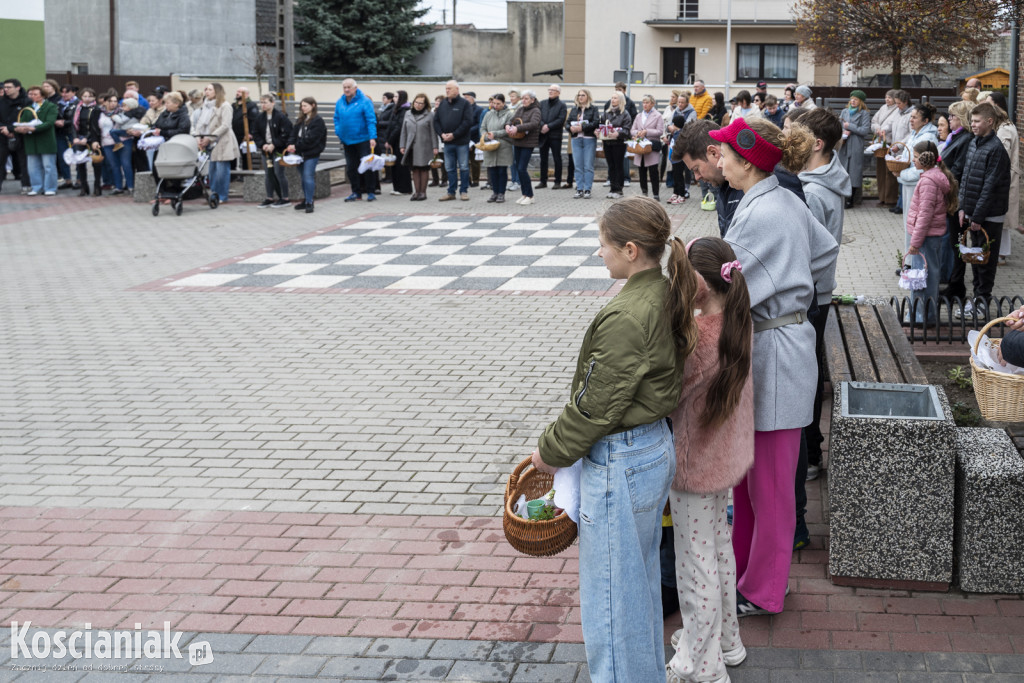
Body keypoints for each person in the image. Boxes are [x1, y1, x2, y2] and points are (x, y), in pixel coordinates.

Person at [531, 196, 699, 683]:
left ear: (630, 249)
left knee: (610, 603)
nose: (598, 253)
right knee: (636, 589)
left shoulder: (628, 314)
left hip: (624, 459)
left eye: (602, 245)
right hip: (647, 451)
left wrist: (548, 453)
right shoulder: (662, 290)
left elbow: (593, 407)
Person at [709, 117, 838, 618]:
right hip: (775, 346)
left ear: (747, 161)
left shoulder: (766, 211)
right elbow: (825, 253)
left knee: (772, 490)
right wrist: (803, 300)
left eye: (724, 151)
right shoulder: (777, 199)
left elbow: (724, 288)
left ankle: (764, 588)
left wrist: (787, 303)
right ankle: (748, 576)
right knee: (750, 482)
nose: (718, 157)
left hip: (775, 354)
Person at [666, 235, 753, 683]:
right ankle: (727, 642)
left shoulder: (699, 339)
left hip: (694, 466)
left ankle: (700, 665)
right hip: (724, 460)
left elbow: (667, 395)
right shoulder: (738, 321)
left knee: (694, 564)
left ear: (698, 284)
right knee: (718, 551)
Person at [790, 107, 850, 527]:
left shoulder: (811, 192)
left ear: (816, 145)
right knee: (810, 372)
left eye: (794, 134)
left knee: (804, 377)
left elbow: (806, 252)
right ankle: (811, 451)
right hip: (820, 293)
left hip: (809, 294)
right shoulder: (830, 180)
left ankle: (809, 455)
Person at [674, 119, 807, 237]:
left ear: (746, 162)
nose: (696, 178)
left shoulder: (777, 187)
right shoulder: (727, 183)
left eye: (724, 156)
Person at [954, 102, 1011, 319]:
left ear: (989, 122)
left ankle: (982, 303)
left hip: (989, 216)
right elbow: (966, 178)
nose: (973, 125)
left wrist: (977, 216)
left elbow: (990, 185)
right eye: (972, 120)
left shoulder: (996, 149)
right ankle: (976, 300)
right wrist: (962, 208)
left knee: (985, 262)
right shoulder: (974, 143)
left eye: (977, 121)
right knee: (974, 259)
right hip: (972, 213)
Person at [905, 142, 958, 324]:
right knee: (930, 275)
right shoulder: (934, 176)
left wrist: (915, 242)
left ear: (923, 158)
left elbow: (925, 215)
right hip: (931, 236)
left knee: (921, 277)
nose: (913, 159)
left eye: (915, 156)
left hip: (926, 238)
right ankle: (927, 314)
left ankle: (921, 317)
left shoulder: (928, 181)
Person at [938, 100, 976, 292]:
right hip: (951, 196)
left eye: (952, 116)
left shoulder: (966, 139)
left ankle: (957, 284)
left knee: (958, 241)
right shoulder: (955, 137)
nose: (949, 119)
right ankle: (956, 281)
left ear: (961, 118)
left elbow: (958, 170)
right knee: (955, 240)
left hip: (957, 198)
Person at [894, 103, 940, 234]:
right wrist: (900, 160)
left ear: (925, 121)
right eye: (911, 117)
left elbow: (923, 168)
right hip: (908, 183)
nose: (911, 120)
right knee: (909, 223)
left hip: (917, 185)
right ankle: (909, 253)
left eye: (915, 117)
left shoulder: (928, 138)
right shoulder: (915, 134)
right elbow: (909, 157)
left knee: (915, 223)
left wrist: (901, 174)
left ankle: (914, 253)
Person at [987, 93, 1020, 264]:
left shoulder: (1005, 128)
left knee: (1003, 218)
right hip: (1003, 177)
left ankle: (1001, 254)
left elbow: (1001, 154)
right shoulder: (1003, 127)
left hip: (1005, 177)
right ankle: (1000, 252)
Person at [334, 78, 378, 202]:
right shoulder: (340, 102)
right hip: (347, 140)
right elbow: (336, 118)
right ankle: (356, 192)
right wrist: (339, 131)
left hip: (363, 139)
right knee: (351, 167)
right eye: (344, 87)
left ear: (355, 88)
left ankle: (370, 191)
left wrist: (372, 137)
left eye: (349, 87)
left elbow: (371, 120)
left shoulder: (365, 101)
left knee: (367, 166)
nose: (346, 90)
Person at [194, 83, 238, 204]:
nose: (207, 92)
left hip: (222, 141)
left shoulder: (225, 106)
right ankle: (213, 194)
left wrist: (209, 138)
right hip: (209, 141)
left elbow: (225, 125)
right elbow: (199, 124)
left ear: (217, 91)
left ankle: (222, 196)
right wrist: (199, 138)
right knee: (212, 170)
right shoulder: (206, 106)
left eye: (210, 89)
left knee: (221, 170)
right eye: (206, 89)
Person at [14, 85, 59, 197]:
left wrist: (34, 128)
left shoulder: (51, 106)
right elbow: (22, 120)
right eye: (30, 94)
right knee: (32, 167)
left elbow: (49, 122)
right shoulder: (28, 107)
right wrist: (21, 128)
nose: (32, 96)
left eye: (35, 94)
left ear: (43, 95)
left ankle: (50, 187)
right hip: (31, 141)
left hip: (46, 140)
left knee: (48, 166)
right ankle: (36, 187)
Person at [434, 80, 474, 201]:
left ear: (457, 90)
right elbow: (436, 121)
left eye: (449, 88)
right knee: (450, 168)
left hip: (461, 142)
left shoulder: (464, 104)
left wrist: (454, 135)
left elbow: (468, 122)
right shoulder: (443, 104)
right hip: (447, 142)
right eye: (446, 89)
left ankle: (464, 191)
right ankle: (451, 192)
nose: (447, 91)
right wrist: (441, 134)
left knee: (463, 167)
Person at [286, 97, 327, 214]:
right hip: (299, 154)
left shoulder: (317, 121)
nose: (302, 108)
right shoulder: (301, 120)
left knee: (308, 176)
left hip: (311, 153)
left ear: (313, 105)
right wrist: (290, 144)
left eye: (305, 106)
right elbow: (293, 134)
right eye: (302, 106)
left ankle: (310, 202)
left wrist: (296, 146)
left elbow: (311, 139)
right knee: (303, 177)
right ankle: (306, 199)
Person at [253, 93, 293, 208]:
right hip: (265, 150)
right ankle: (269, 197)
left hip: (278, 150)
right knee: (268, 173)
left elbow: (286, 133)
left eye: (265, 102)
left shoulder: (280, 116)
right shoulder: (260, 118)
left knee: (279, 173)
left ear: (272, 103)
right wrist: (262, 145)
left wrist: (274, 144)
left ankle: (285, 197)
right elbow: (255, 133)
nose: (263, 105)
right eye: (261, 102)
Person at [399, 93, 438, 202]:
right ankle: (416, 192)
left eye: (421, 103)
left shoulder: (430, 115)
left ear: (425, 104)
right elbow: (404, 131)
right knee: (415, 169)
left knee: (424, 168)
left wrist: (435, 147)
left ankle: (423, 192)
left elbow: (433, 132)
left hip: (425, 146)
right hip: (411, 146)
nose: (418, 105)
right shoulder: (407, 114)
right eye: (416, 102)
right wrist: (402, 145)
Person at [506, 89, 542, 205]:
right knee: (518, 168)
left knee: (522, 168)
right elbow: (512, 120)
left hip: (528, 143)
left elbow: (534, 124)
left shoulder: (536, 110)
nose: (523, 101)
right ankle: (524, 194)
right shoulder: (520, 109)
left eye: (526, 98)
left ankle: (530, 196)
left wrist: (518, 128)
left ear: (532, 100)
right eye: (522, 98)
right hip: (517, 141)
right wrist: (507, 126)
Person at [838, 90, 870, 208]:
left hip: (856, 145)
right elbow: (839, 126)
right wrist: (843, 132)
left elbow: (865, 130)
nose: (853, 101)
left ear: (860, 101)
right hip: (844, 144)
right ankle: (842, 197)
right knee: (842, 170)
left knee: (854, 173)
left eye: (856, 99)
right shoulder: (844, 111)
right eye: (852, 98)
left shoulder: (864, 113)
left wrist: (850, 126)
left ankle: (850, 200)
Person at [479, 93, 514, 203]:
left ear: (504, 103)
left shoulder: (509, 114)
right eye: (494, 103)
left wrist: (495, 133)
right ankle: (494, 192)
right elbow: (483, 127)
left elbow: (508, 131)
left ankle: (501, 193)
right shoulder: (488, 114)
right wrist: (485, 136)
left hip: (503, 146)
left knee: (501, 170)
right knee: (492, 170)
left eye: (498, 103)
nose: (495, 105)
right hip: (490, 145)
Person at [631, 94, 665, 202]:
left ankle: (656, 194)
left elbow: (660, 131)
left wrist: (647, 132)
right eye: (643, 102)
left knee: (653, 171)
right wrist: (638, 132)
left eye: (647, 103)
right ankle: (644, 193)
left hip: (651, 146)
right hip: (640, 146)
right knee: (641, 171)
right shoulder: (638, 116)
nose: (644, 105)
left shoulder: (658, 115)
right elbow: (632, 130)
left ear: (652, 104)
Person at [1, 78, 32, 194]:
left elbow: (27, 118)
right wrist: (4, 129)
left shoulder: (26, 101)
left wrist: (12, 129)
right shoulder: (1, 102)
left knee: (23, 161)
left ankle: (26, 185)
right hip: (3, 135)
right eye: (5, 87)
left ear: (17, 88)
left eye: (9, 87)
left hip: (21, 135)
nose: (6, 90)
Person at [567, 88, 598, 200]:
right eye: (579, 95)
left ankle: (588, 189)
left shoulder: (593, 109)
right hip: (576, 140)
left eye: (583, 95)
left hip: (589, 139)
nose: (580, 97)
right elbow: (567, 123)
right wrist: (570, 128)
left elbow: (595, 123)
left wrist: (582, 127)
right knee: (578, 166)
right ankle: (579, 189)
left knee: (588, 166)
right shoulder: (574, 110)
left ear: (588, 97)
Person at [871, 90, 901, 207]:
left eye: (890, 98)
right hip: (880, 142)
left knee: (890, 171)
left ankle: (890, 198)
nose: (887, 99)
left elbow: (893, 124)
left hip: (890, 142)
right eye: (886, 97)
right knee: (880, 171)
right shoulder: (883, 108)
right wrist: (877, 129)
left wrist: (884, 130)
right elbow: (874, 121)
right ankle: (881, 196)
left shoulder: (897, 110)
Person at [666, 94, 696, 205]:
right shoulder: (676, 112)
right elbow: (670, 127)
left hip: (679, 156)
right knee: (675, 174)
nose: (679, 104)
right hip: (674, 156)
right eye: (678, 102)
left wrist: (674, 129)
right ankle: (676, 192)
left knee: (680, 174)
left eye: (682, 102)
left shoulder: (691, 112)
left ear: (687, 103)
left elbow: (688, 127)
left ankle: (682, 194)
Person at [601, 92, 632, 200]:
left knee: (618, 165)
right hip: (607, 142)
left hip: (619, 143)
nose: (612, 100)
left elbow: (627, 129)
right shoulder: (606, 113)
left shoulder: (625, 114)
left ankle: (619, 189)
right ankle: (612, 188)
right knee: (611, 166)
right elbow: (601, 125)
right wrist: (598, 131)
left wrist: (618, 134)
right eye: (612, 98)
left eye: (615, 98)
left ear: (621, 100)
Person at [537, 84, 566, 189]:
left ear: (558, 92)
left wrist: (548, 126)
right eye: (549, 90)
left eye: (553, 90)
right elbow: (537, 116)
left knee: (557, 158)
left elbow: (561, 119)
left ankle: (557, 181)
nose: (550, 91)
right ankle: (543, 181)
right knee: (543, 159)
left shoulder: (562, 105)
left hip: (555, 136)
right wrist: (542, 125)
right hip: (543, 135)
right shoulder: (542, 103)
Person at [385, 90, 412, 197]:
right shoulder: (396, 109)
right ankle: (397, 187)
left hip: (400, 141)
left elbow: (398, 127)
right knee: (395, 166)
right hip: (394, 140)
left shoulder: (404, 110)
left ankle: (404, 188)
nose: (394, 98)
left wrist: (390, 140)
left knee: (402, 166)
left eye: (396, 96)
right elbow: (391, 125)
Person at [232, 87, 259, 170]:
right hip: (234, 134)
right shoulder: (234, 105)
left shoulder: (251, 105)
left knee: (246, 155)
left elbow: (254, 120)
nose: (237, 93)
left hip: (245, 134)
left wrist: (250, 133)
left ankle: (246, 174)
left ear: (246, 94)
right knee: (233, 155)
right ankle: (233, 174)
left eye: (240, 92)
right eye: (237, 91)